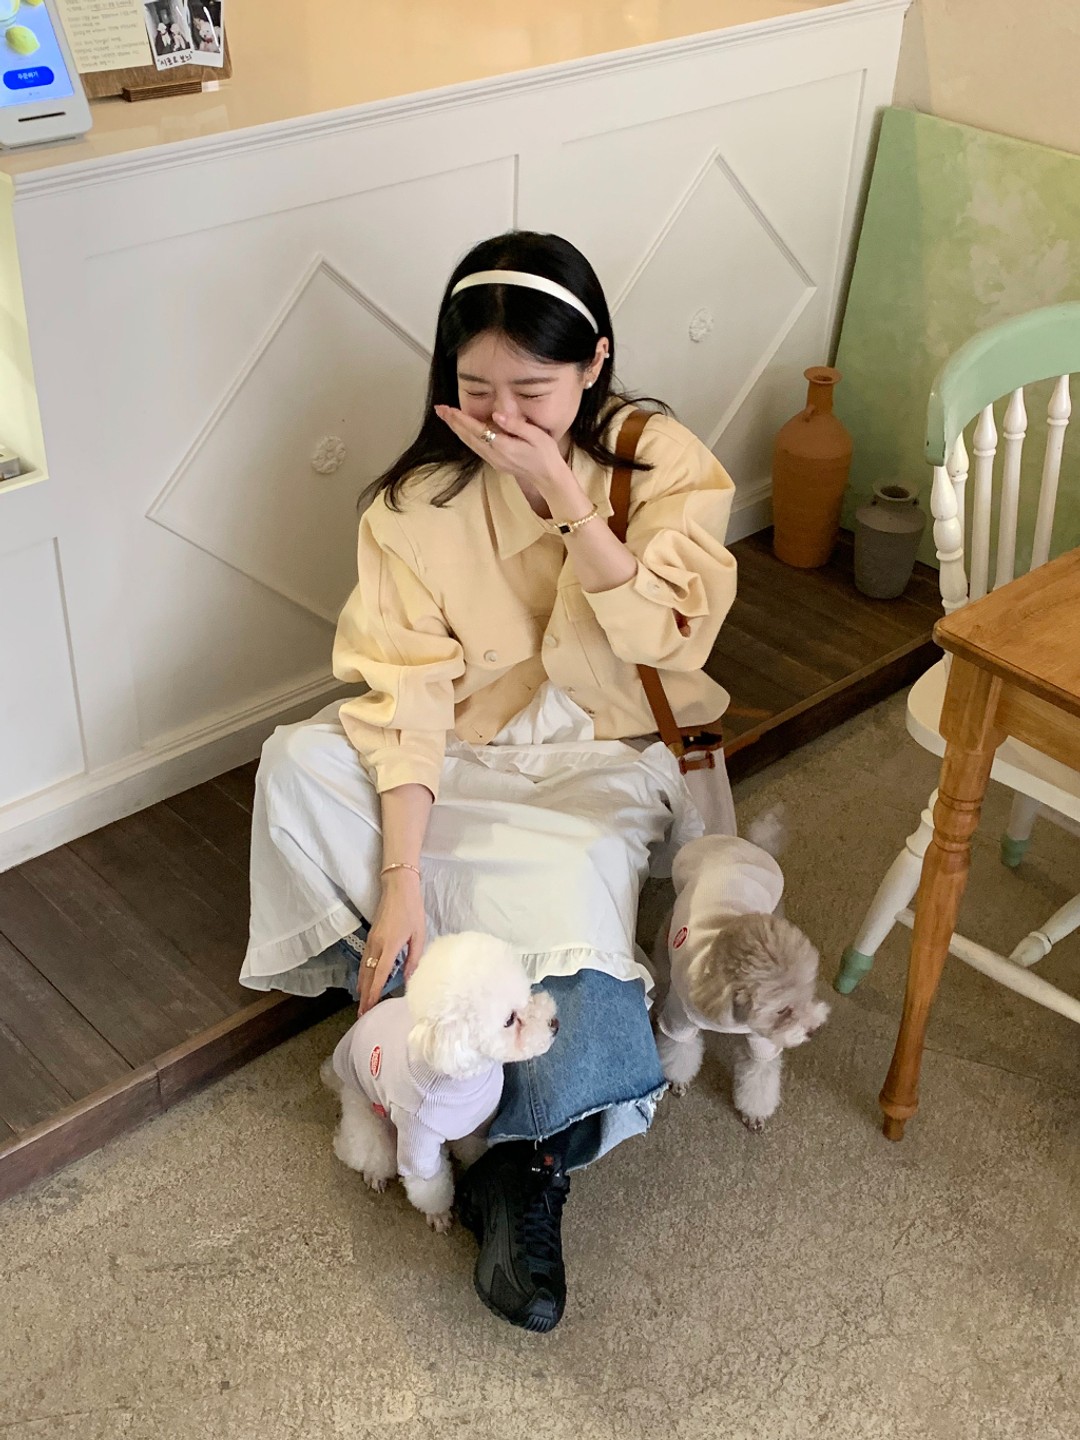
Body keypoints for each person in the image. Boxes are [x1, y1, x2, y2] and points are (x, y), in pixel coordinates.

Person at [241, 231, 738, 1332]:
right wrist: (401, 878)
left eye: (533, 391)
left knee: (572, 888)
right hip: (465, 754)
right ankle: (424, 985)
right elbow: (405, 698)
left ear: (594, 362)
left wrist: (562, 492)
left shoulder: (661, 461)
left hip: (596, 755)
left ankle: (517, 1162)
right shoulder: (413, 504)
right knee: (300, 764)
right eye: (477, 390)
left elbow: (673, 638)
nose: (503, 417)